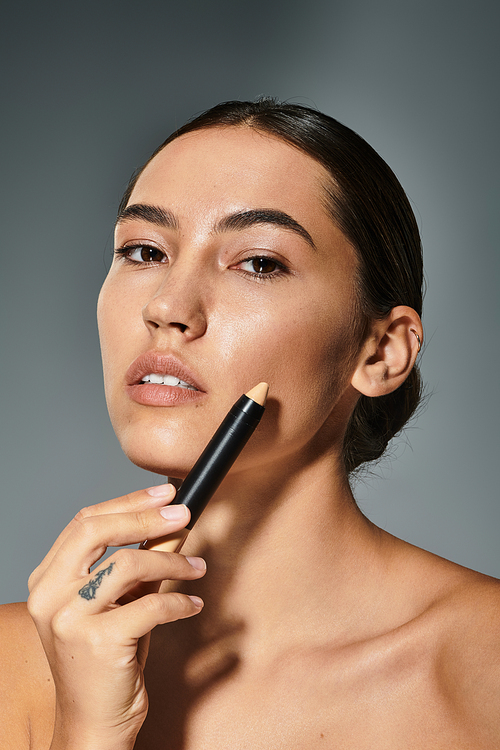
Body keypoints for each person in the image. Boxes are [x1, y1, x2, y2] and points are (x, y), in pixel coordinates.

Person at [0, 99, 498, 749]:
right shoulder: (18, 670)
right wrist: (88, 734)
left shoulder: (483, 668)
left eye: (259, 262)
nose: (168, 307)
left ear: (381, 351)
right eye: (145, 250)